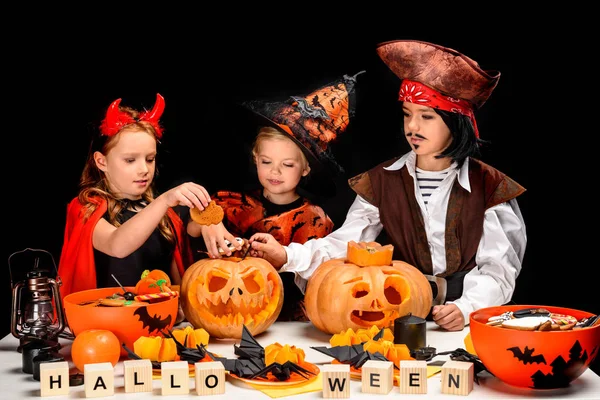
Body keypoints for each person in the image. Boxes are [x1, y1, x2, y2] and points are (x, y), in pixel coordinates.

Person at [246, 40, 527, 331]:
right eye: (407, 114)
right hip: (399, 311)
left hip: (467, 319)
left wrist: (465, 307)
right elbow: (346, 244)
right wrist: (289, 255)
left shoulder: (490, 187)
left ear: (456, 121)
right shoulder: (382, 181)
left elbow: (499, 270)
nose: (412, 127)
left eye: (426, 116)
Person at [187, 74, 361, 321]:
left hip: (289, 319)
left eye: (287, 165)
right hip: (227, 310)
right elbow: (191, 229)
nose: (275, 172)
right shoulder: (232, 203)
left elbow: (322, 279)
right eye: (266, 162)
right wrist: (210, 222)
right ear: (255, 159)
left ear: (305, 169)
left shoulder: (314, 220)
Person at [57, 93, 211, 301]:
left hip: (161, 321)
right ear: (101, 162)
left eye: (150, 159)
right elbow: (117, 245)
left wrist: (211, 223)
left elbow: (176, 273)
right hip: (110, 324)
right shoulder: (86, 208)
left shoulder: (160, 213)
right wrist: (164, 200)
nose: (144, 169)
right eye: (130, 160)